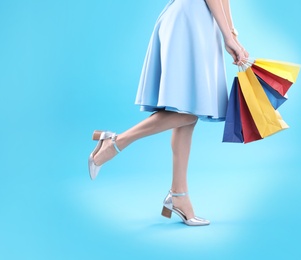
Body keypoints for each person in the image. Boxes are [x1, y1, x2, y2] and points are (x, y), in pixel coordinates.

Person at [88, 0, 249, 226]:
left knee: (187, 117)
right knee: (190, 111)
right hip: (189, 19)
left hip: (200, 20)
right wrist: (228, 37)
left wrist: (231, 32)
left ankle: (179, 195)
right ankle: (116, 142)